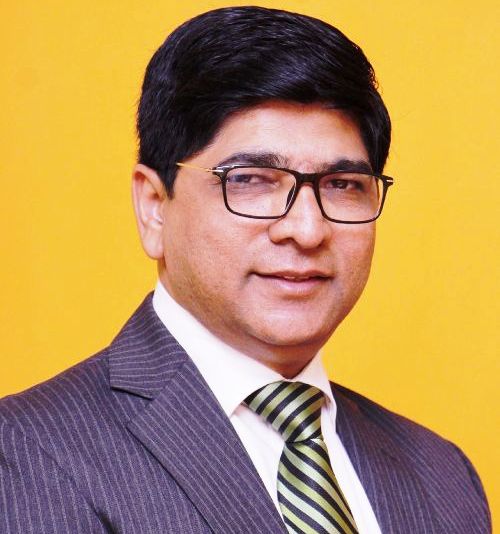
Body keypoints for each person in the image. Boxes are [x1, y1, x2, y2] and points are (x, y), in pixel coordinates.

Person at [0, 6, 490, 533]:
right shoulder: (26, 453)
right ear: (154, 206)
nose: (306, 230)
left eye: (342, 185)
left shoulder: (441, 474)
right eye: (252, 180)